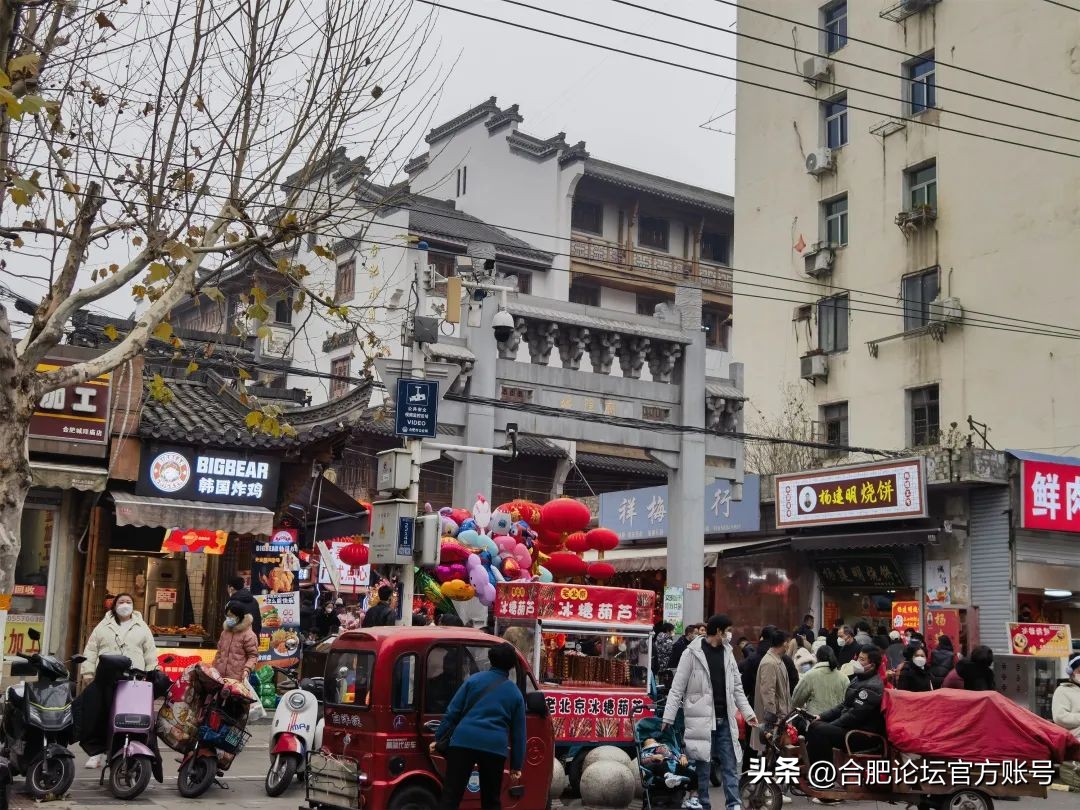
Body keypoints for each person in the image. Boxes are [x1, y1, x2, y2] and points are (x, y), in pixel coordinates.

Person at [663, 614, 757, 810]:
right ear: (719, 631)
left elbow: (737, 688)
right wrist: (668, 716)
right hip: (701, 720)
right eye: (728, 630)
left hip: (725, 719)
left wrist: (748, 713)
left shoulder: (728, 653)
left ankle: (734, 804)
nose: (730, 634)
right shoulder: (691, 653)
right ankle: (704, 804)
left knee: (730, 765)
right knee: (703, 768)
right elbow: (677, 688)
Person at [432, 643, 525, 810]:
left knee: (450, 796)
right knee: (491, 800)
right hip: (494, 748)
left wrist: (439, 738)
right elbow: (519, 734)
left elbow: (453, 712)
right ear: (512, 666)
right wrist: (516, 765)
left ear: (491, 660)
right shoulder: (515, 693)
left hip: (463, 742)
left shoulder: (473, 680)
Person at [79, 593, 158, 768]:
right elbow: (91, 650)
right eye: (121, 602)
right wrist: (88, 673)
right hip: (106, 677)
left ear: (133, 606)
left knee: (129, 716)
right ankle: (97, 752)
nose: (125, 604)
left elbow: (150, 652)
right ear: (114, 605)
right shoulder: (102, 626)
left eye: (128, 602)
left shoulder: (142, 627)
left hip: (133, 678)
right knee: (102, 713)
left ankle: (128, 747)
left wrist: (153, 673)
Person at [806, 646, 887, 803]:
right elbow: (843, 706)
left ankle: (825, 784)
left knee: (820, 731)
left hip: (863, 735)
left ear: (873, 665)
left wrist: (831, 726)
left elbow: (854, 716)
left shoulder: (872, 686)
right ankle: (819, 777)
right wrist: (821, 717)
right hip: (851, 730)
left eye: (862, 660)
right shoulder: (859, 678)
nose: (857, 662)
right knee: (816, 725)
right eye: (858, 658)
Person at [752, 629, 791, 755]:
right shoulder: (769, 662)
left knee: (775, 754)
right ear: (784, 643)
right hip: (774, 719)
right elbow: (768, 693)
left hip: (780, 716)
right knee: (771, 753)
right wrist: (773, 720)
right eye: (788, 642)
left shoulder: (778, 660)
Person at [639, 736, 700, 808]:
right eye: (649, 742)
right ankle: (669, 776)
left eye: (654, 742)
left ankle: (693, 798)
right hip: (659, 768)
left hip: (675, 767)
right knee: (661, 764)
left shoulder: (665, 747)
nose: (653, 744)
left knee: (693, 774)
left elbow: (676, 755)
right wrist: (652, 758)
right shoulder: (646, 752)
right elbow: (643, 761)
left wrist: (682, 756)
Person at [791, 646, 849, 717]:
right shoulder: (843, 677)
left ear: (817, 658)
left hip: (815, 720)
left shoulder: (809, 676)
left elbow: (796, 701)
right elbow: (848, 702)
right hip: (837, 721)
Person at [214, 602, 259, 681]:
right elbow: (219, 653)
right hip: (220, 677)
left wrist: (247, 670)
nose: (228, 619)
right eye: (227, 616)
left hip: (237, 678)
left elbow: (253, 656)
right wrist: (213, 667)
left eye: (231, 616)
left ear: (239, 617)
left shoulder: (249, 635)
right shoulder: (224, 632)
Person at [740, 624, 776, 703]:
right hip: (778, 704)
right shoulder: (783, 657)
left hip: (756, 702)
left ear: (762, 638)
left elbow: (745, 682)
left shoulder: (752, 658)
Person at [1052, 654, 1080, 741]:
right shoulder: (1062, 691)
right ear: (1071, 672)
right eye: (1079, 671)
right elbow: (1060, 718)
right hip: (1074, 741)